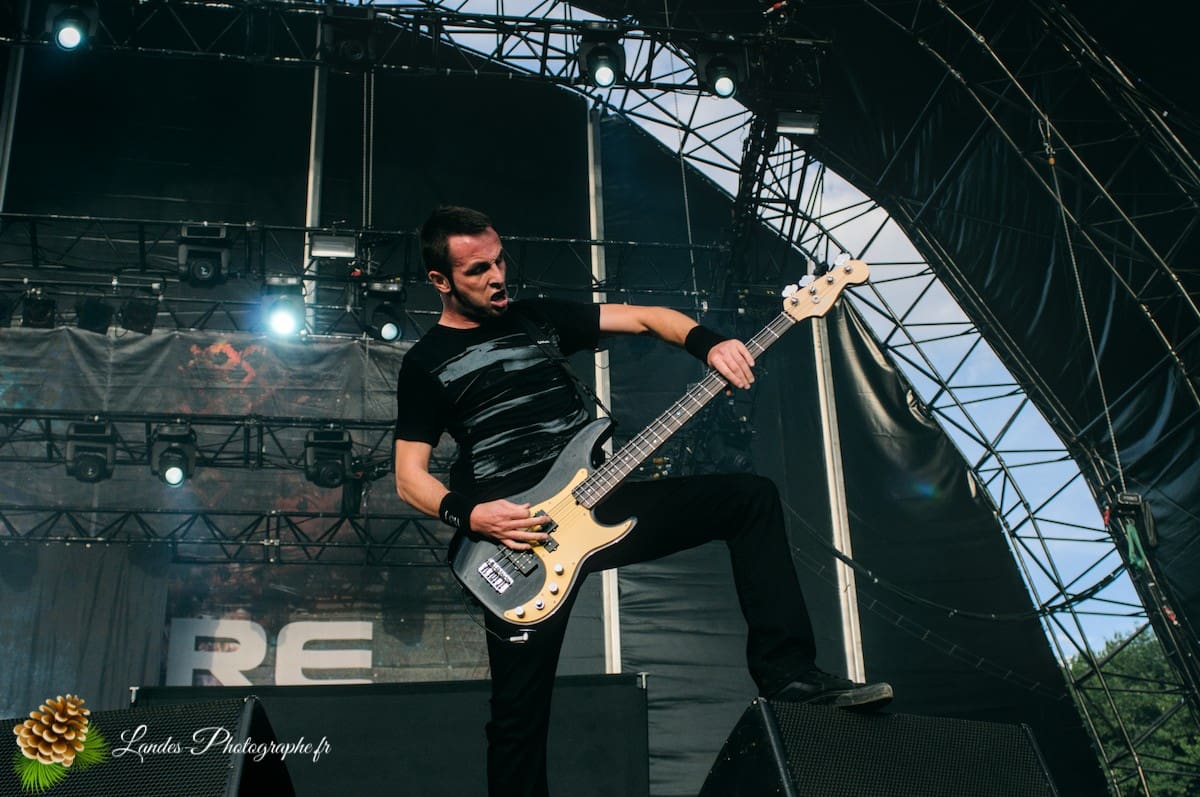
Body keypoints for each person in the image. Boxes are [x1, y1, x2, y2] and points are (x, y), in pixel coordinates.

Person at [393, 206, 893, 797]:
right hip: (518, 545)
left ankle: (788, 675)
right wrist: (473, 514)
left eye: (501, 259)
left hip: (601, 502)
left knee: (749, 499)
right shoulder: (425, 364)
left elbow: (649, 317)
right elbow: (409, 477)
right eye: (478, 269)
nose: (499, 276)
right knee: (517, 726)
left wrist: (709, 344)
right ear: (440, 281)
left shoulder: (539, 319)